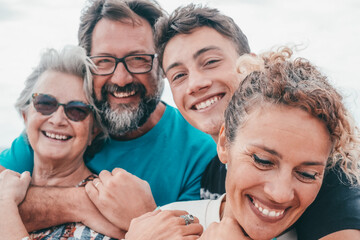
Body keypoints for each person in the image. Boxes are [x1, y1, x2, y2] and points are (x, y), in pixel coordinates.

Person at [0, 0, 216, 236]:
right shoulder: (62, 130)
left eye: (138, 60)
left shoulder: (199, 153)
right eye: (104, 61)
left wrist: (143, 217)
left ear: (161, 65)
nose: (121, 78)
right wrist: (80, 202)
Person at [154, 4, 360, 239]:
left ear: (248, 66)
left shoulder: (331, 177)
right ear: (224, 143)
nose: (196, 83)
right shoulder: (209, 172)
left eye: (210, 62)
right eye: (179, 75)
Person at [0, 45, 125, 239]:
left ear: (94, 131)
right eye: (45, 103)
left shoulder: (106, 210)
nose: (58, 120)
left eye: (77, 110)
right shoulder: (7, 182)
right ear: (25, 116)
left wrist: (5, 205)